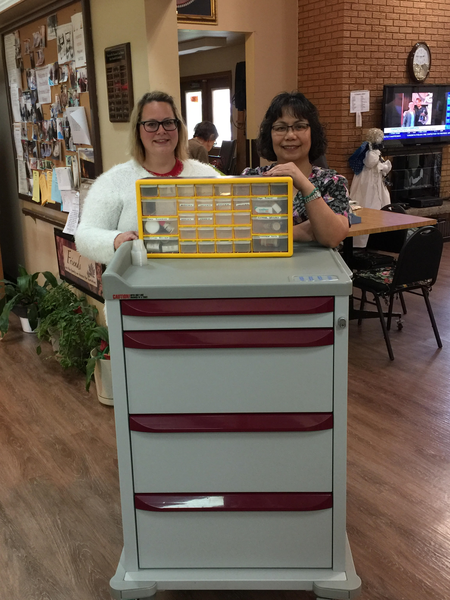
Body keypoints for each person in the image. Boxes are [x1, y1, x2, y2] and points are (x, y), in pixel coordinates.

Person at [75, 91, 220, 265]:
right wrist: (115, 240)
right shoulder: (114, 181)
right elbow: (84, 234)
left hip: (200, 280)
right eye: (151, 124)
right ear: (138, 130)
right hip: (138, 284)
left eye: (168, 123)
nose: (161, 131)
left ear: (179, 128)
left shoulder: (207, 176)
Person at [242, 91, 350, 248]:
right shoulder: (252, 178)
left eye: (300, 126)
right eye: (280, 128)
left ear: (313, 133)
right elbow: (236, 230)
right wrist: (307, 230)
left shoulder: (331, 182)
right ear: (269, 135)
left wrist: (304, 185)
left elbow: (332, 237)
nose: (290, 135)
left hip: (314, 269)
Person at [348, 128, 392, 248]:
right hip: (368, 182)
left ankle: (378, 239)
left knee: (382, 203)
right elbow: (370, 163)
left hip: (376, 181)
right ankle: (362, 242)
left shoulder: (375, 151)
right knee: (368, 202)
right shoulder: (370, 151)